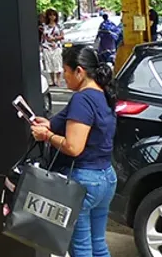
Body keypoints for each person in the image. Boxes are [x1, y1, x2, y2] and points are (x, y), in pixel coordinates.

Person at [30, 45, 117, 257]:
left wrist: (47, 136)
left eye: (66, 72)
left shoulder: (82, 98)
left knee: (81, 249)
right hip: (106, 178)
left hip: (84, 180)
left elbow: (74, 147)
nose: (64, 78)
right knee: (98, 245)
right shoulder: (103, 93)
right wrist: (50, 124)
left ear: (79, 71)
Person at [41, 8, 64, 87]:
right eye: (50, 15)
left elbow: (62, 36)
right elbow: (43, 37)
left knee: (57, 62)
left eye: (54, 15)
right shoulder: (45, 26)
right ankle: (52, 80)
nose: (52, 17)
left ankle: (58, 80)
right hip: (46, 46)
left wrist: (54, 39)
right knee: (49, 63)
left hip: (56, 46)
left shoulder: (59, 25)